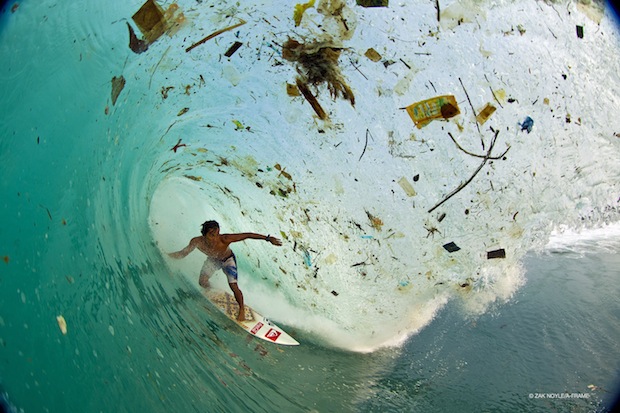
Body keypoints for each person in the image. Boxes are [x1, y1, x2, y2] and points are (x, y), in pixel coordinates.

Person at [168, 220, 282, 321]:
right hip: (213, 260)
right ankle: (213, 291)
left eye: (216, 234)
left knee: (233, 286)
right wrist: (166, 255)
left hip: (228, 261)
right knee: (202, 282)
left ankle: (241, 308)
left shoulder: (224, 239)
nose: (214, 238)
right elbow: (183, 253)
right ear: (204, 234)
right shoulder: (197, 241)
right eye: (211, 235)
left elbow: (247, 235)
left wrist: (267, 238)